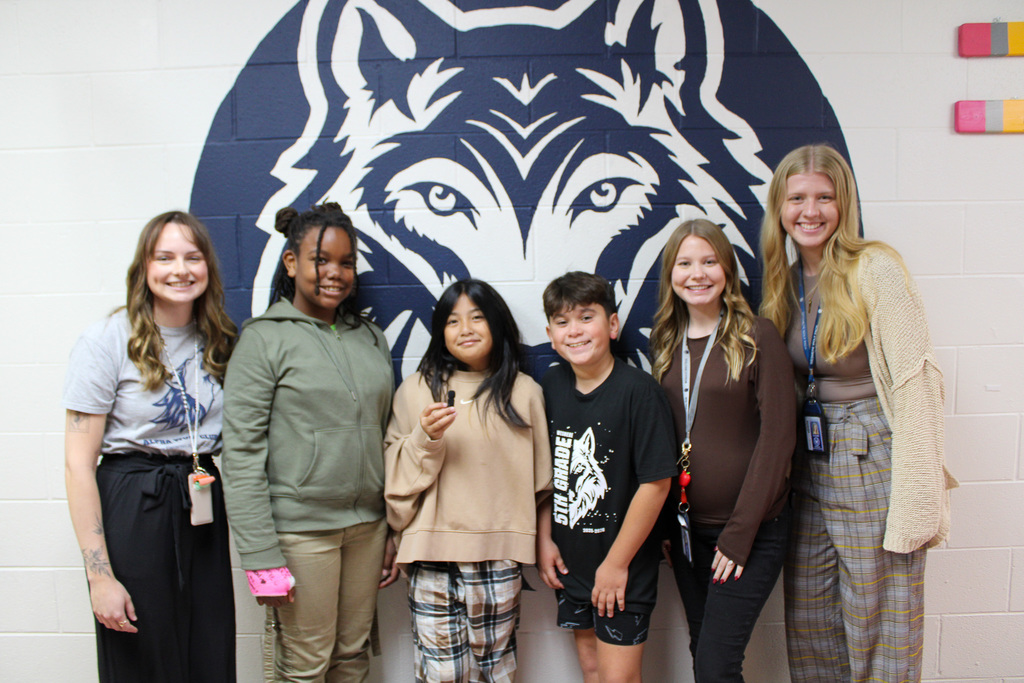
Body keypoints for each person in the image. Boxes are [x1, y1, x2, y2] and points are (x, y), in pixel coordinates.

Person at [759, 144, 957, 682]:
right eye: (798, 197)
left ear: (844, 203)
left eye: (825, 197)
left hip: (870, 454)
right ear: (780, 206)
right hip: (809, 461)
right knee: (811, 620)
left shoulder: (875, 268)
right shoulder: (783, 278)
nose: (811, 211)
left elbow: (918, 384)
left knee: (879, 619)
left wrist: (916, 505)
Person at [221, 203, 399, 682]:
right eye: (322, 260)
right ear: (292, 263)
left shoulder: (372, 339)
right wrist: (260, 556)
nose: (335, 273)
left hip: (366, 529)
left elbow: (387, 437)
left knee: (353, 656)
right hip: (301, 533)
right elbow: (239, 455)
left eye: (346, 262)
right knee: (305, 664)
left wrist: (392, 527)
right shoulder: (263, 341)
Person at [63, 211, 238, 682]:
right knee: (142, 654)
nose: (180, 270)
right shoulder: (106, 340)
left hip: (200, 497)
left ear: (208, 268)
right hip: (133, 500)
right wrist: (99, 576)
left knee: (209, 649)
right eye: (165, 257)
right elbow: (78, 466)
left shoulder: (222, 339)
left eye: (192, 257)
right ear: (144, 268)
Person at [648, 219, 796, 681]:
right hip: (689, 533)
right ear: (670, 274)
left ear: (727, 270)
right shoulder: (666, 344)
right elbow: (666, 440)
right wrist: (669, 526)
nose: (698, 273)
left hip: (748, 534)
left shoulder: (757, 335)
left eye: (709, 261)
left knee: (716, 666)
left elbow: (777, 440)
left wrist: (740, 533)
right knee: (704, 653)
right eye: (685, 263)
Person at [384, 279, 552, 683]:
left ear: (496, 324)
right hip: (429, 557)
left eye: (477, 317)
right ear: (440, 331)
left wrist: (541, 543)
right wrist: (426, 439)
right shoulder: (416, 390)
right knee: (442, 676)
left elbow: (542, 485)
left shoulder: (524, 391)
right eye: (453, 320)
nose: (466, 329)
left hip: (499, 556)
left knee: (495, 673)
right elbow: (395, 480)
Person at [536, 272, 677, 683]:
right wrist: (544, 538)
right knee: (593, 669)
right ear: (550, 334)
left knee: (619, 678)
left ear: (612, 325)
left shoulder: (639, 392)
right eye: (562, 322)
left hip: (622, 566)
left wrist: (615, 565)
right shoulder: (551, 385)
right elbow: (547, 473)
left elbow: (656, 485)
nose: (574, 331)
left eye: (586, 317)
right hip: (572, 563)